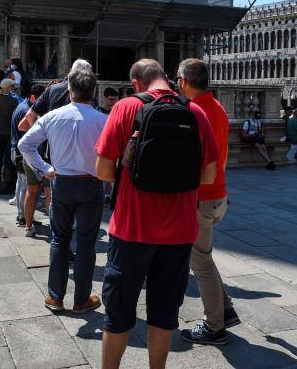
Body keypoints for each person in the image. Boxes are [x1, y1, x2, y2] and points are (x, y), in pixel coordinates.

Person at [95, 58, 218, 369]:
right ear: (168, 77)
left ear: (136, 83)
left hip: (131, 229)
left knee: (118, 313)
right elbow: (209, 175)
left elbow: (103, 170)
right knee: (164, 314)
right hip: (179, 233)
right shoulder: (195, 112)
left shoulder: (125, 108)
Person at [20, 68, 107, 314]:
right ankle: (81, 299)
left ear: (70, 92)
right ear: (93, 92)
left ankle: (56, 296)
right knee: (86, 242)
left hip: (62, 182)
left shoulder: (52, 116)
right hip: (91, 183)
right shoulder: (102, 120)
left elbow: (24, 144)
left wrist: (44, 168)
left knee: (60, 239)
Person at [175, 59, 238, 346]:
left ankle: (215, 327)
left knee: (200, 262)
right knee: (204, 257)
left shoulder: (192, 111)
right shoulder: (218, 107)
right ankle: (225, 308)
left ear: (183, 81)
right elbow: (222, 157)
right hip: (218, 195)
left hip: (202, 197)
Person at [18, 59, 95, 236]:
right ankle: (64, 231)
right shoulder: (87, 94)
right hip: (77, 157)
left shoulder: (52, 90)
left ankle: (50, 231)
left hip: (49, 151)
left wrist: (42, 135)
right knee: (55, 195)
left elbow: (29, 116)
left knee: (44, 192)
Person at [9, 84, 45, 213]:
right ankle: (22, 214)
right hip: (22, 152)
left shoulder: (22, 105)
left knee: (21, 181)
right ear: (33, 97)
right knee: (25, 184)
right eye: (41, 99)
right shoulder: (27, 111)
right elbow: (30, 136)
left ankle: (21, 210)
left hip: (16, 150)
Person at [0, 79, 20, 194]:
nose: (13, 88)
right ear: (7, 87)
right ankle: (9, 186)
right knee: (9, 161)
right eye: (11, 86)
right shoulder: (14, 100)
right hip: (9, 133)